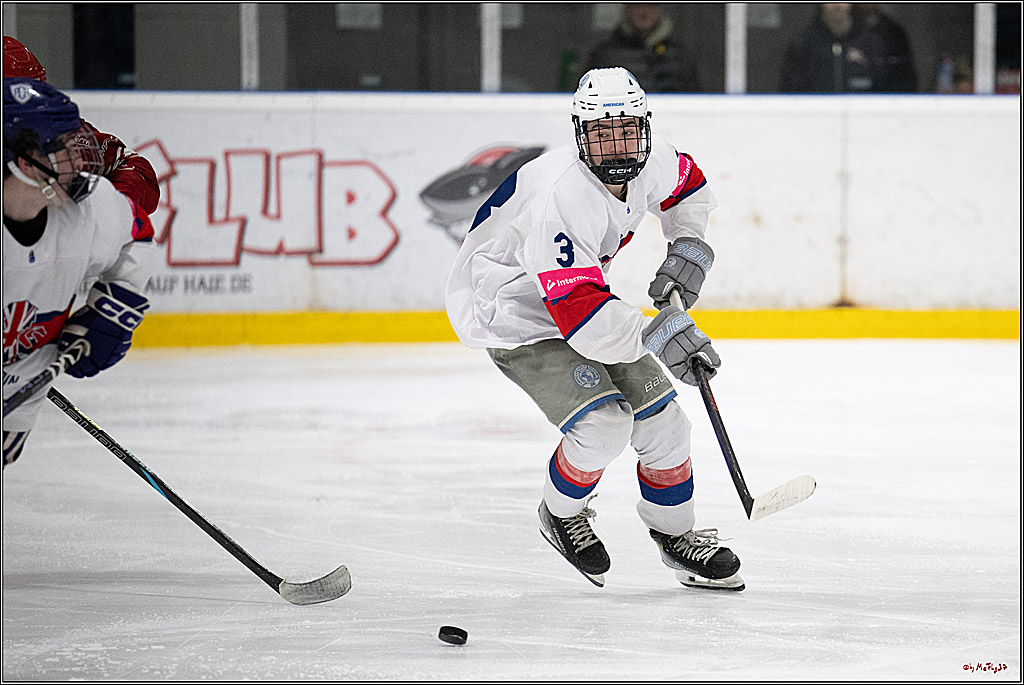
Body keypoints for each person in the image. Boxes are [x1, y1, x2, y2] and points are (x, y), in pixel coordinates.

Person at [445, 67, 742, 591]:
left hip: (581, 301)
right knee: (603, 425)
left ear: (644, 127)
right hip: (513, 310)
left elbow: (688, 190)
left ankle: (677, 538)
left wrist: (689, 244)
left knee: (667, 424)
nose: (616, 145)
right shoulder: (560, 197)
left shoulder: (654, 159)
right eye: (602, 134)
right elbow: (581, 317)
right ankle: (561, 513)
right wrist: (658, 333)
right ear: (581, 134)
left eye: (626, 129)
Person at [3, 77, 156, 466]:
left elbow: (137, 234)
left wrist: (113, 313)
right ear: (24, 163)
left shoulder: (90, 209)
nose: (78, 156)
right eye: (62, 147)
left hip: (17, 397)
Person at [3, 36, 160, 214]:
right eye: (22, 96)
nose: (35, 102)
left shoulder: (61, 132)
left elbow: (134, 167)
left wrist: (110, 208)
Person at [779, 3, 917, 93]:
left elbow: (891, 87)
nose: (837, 5)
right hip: (818, 125)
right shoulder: (803, 44)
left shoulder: (872, 42)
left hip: (866, 124)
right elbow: (790, 90)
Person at [584, 4, 701, 93]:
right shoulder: (606, 54)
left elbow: (695, 98)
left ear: (660, 9)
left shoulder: (680, 54)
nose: (644, 11)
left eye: (650, 5)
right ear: (627, 9)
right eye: (637, 5)